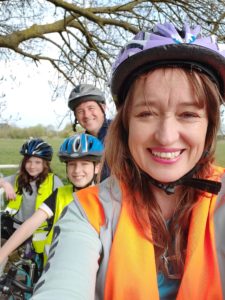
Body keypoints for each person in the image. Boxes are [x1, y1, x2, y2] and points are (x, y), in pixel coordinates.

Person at [31, 22, 225, 300]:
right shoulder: (89, 210)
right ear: (126, 124)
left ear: (209, 126)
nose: (167, 137)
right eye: (146, 113)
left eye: (189, 114)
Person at [0, 133, 104, 267]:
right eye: (72, 164)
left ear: (97, 167)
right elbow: (31, 224)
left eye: (84, 164)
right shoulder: (60, 194)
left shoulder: (105, 198)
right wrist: (3, 253)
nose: (77, 170)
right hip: (53, 267)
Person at [0, 138, 63, 255]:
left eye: (37, 162)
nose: (32, 166)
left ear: (45, 164)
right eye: (28, 161)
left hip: (40, 232)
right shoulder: (18, 178)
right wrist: (5, 184)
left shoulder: (55, 181)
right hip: (15, 228)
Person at [68, 83, 112, 180]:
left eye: (91, 108)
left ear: (103, 108)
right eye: (80, 111)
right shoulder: (81, 145)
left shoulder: (122, 133)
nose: (86, 115)